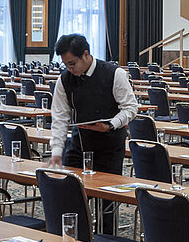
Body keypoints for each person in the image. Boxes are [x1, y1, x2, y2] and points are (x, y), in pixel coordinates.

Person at [48, 33, 138, 230]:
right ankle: (74, 237)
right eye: (66, 65)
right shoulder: (64, 79)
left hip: (109, 145)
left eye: (72, 64)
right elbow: (60, 117)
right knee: (70, 195)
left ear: (86, 54)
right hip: (79, 144)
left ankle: (108, 240)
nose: (69, 69)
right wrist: (56, 151)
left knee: (107, 201)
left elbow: (131, 108)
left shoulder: (114, 74)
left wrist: (111, 124)